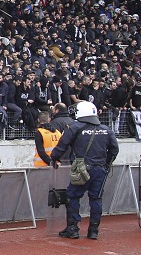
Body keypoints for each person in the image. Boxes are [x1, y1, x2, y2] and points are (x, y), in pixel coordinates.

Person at [49, 101, 119, 240]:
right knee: (96, 198)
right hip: (99, 169)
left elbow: (62, 145)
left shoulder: (75, 127)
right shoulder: (106, 129)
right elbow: (114, 149)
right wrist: (106, 164)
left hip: (81, 168)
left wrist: (54, 157)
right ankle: (93, 230)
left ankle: (73, 228)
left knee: (73, 196)